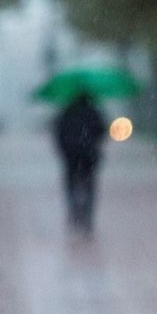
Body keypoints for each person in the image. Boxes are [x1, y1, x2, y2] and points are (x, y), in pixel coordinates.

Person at [50, 94, 107, 230]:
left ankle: (73, 210)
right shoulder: (94, 112)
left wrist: (64, 150)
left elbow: (59, 133)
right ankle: (88, 215)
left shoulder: (67, 112)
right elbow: (102, 131)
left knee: (70, 182)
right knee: (90, 184)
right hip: (89, 155)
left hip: (71, 155)